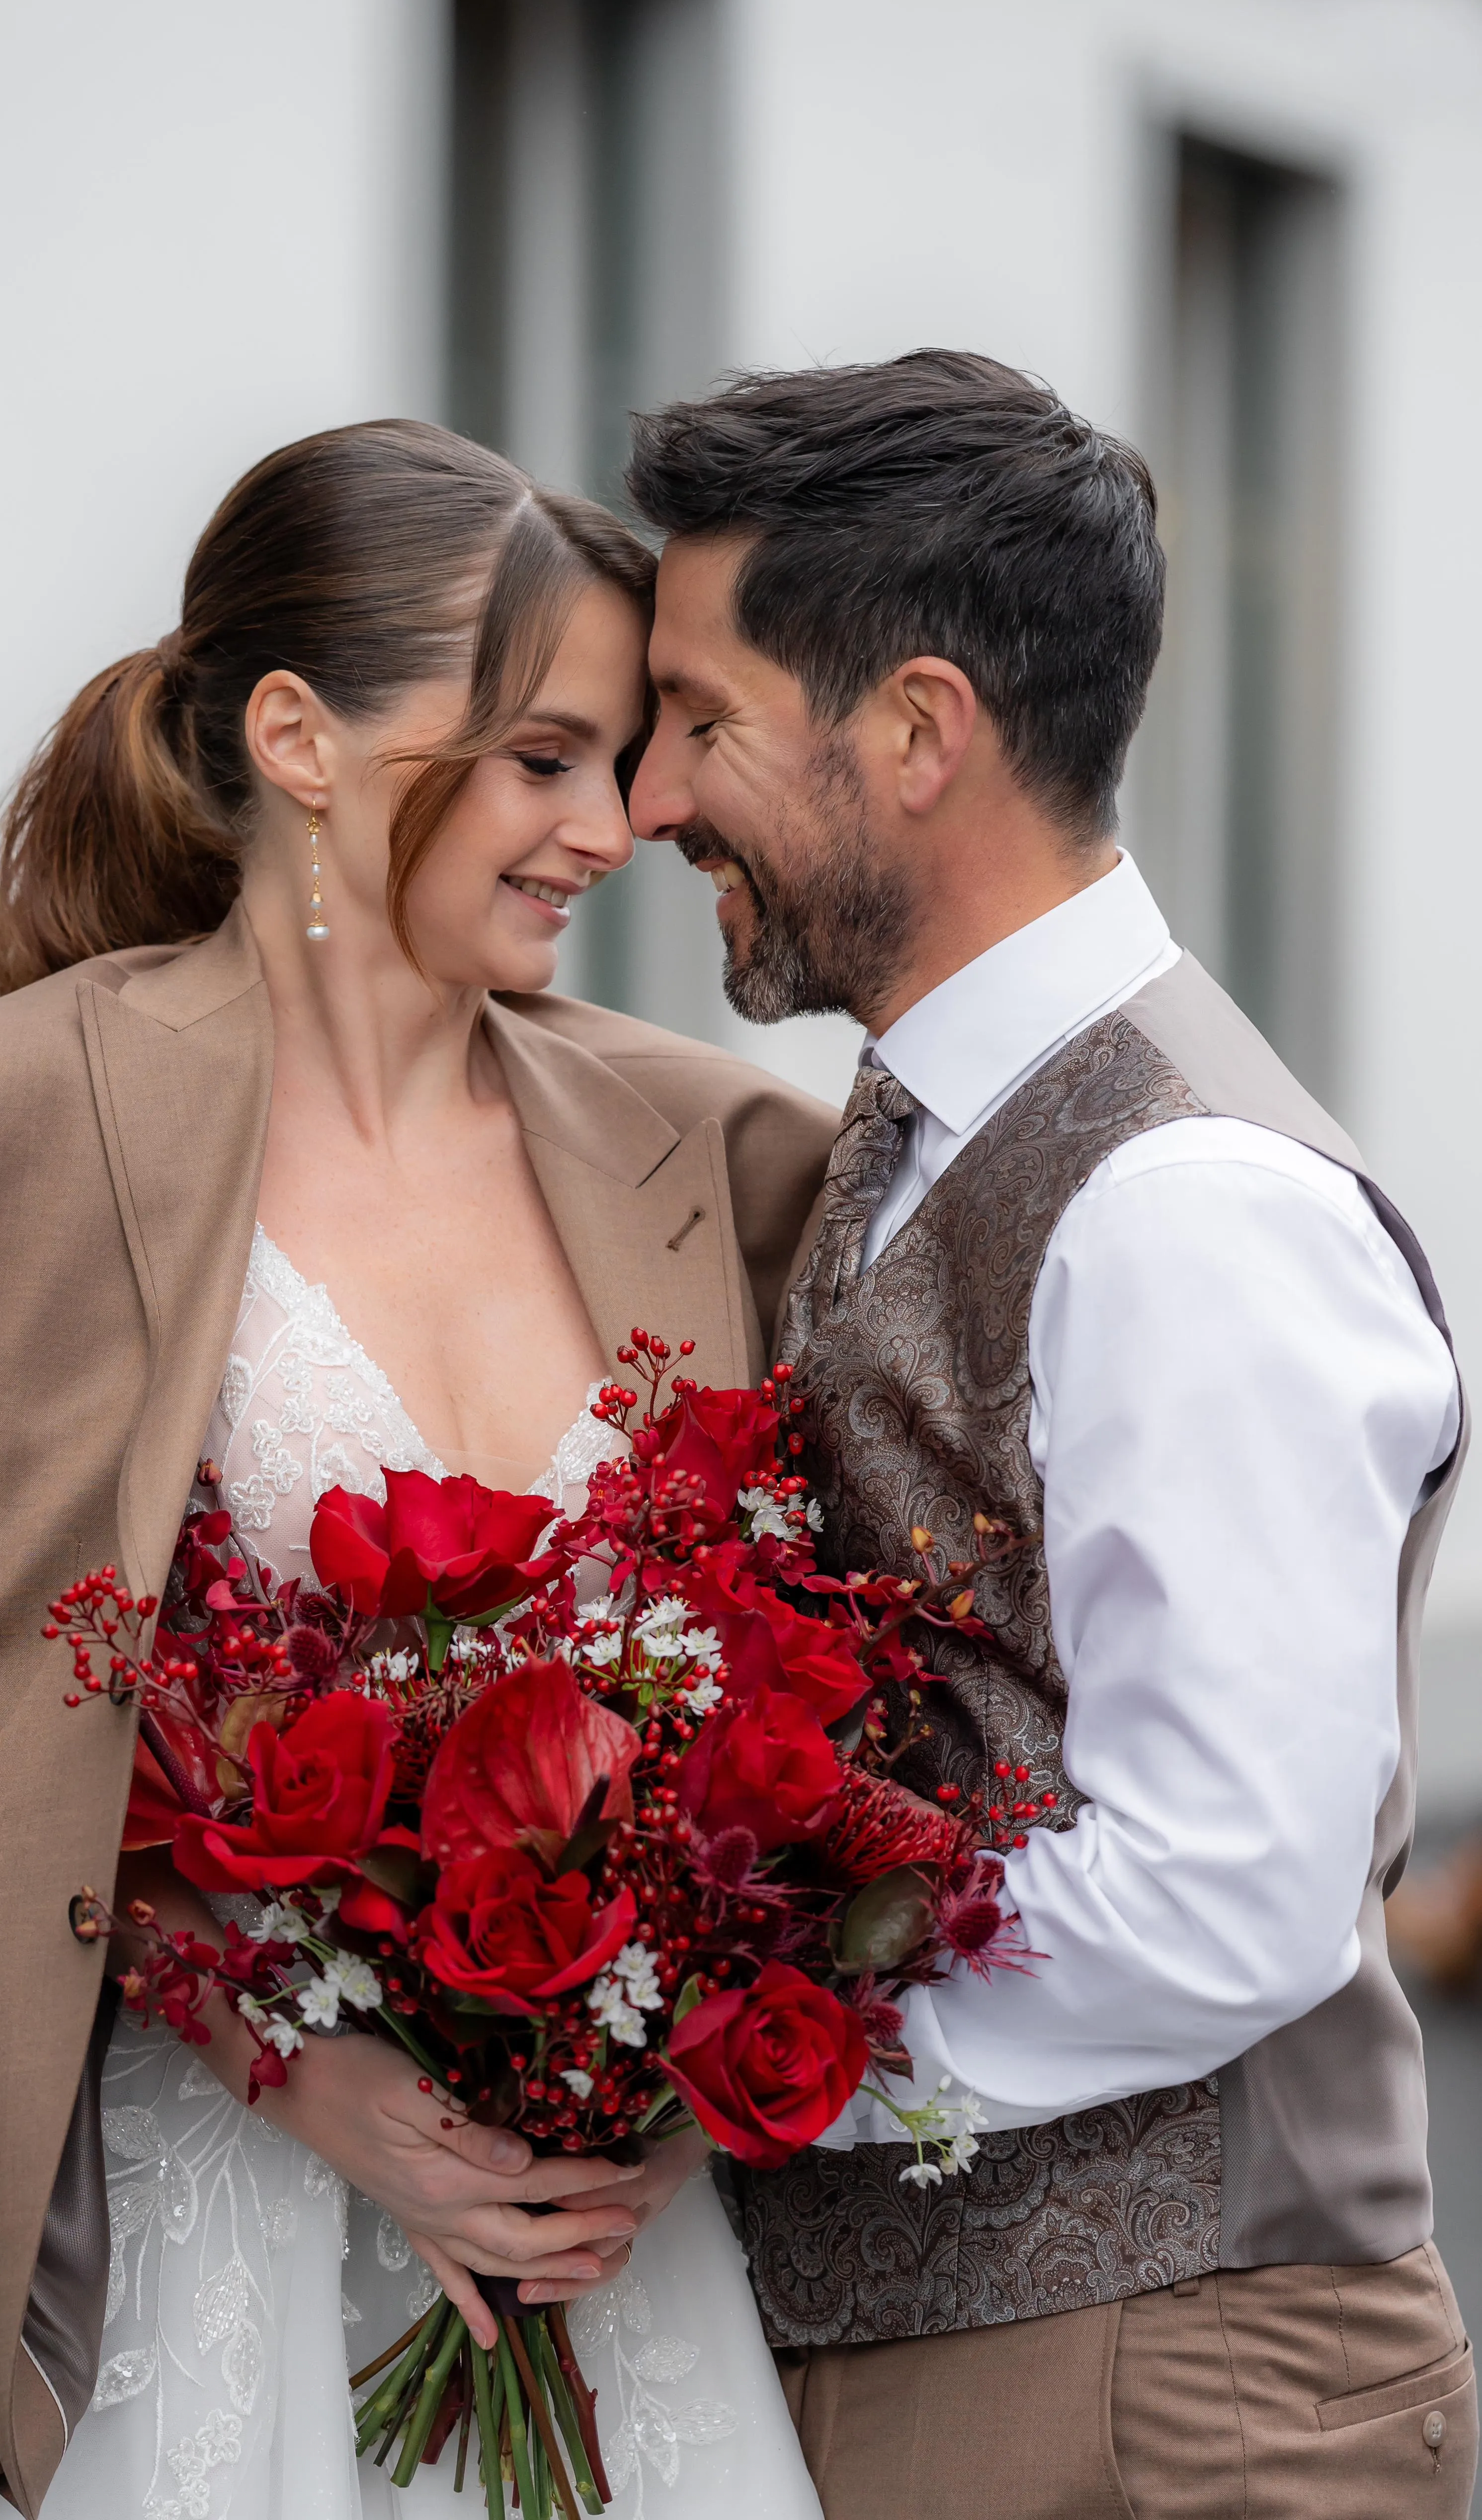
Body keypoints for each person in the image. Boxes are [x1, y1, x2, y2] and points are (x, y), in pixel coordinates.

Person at [0, 420, 834, 2520]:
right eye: (540, 755)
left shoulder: (724, 1149)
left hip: (624, 2290)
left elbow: (792, 1703)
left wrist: (644, 2055)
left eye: (620, 760)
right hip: (190, 2280)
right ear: (299, 736)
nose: (610, 823)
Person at [624, 349, 1479, 2518]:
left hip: (1159, 2388)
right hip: (969, 2351)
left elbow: (1227, 1889)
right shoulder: (923, 1128)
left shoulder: (1180, 1201)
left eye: (699, 718)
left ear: (917, 731)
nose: (644, 799)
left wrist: (735, 2056)